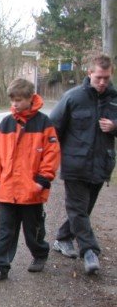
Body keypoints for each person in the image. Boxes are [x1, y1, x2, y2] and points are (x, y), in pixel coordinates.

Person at [0, 78, 61, 284]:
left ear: (30, 98)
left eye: (18, 100)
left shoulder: (44, 123)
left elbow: (52, 155)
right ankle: (0, 266)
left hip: (31, 190)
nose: (15, 104)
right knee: (5, 232)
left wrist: (42, 180)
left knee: (32, 232)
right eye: (13, 100)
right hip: (8, 189)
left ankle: (40, 253)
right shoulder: (6, 123)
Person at [50, 54, 117, 275]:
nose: (102, 82)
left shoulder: (114, 99)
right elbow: (53, 129)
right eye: (99, 77)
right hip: (75, 165)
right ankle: (90, 251)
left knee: (84, 210)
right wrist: (51, 159)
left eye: (106, 78)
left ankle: (63, 238)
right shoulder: (72, 97)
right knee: (78, 209)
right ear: (90, 73)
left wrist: (114, 126)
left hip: (102, 164)